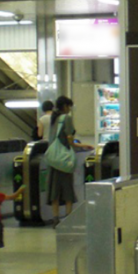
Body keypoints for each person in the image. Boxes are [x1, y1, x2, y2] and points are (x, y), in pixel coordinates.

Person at [46, 96, 93, 226]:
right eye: (69, 107)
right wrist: (84, 146)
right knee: (67, 190)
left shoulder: (54, 118)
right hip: (64, 160)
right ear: (65, 106)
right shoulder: (66, 118)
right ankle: (68, 219)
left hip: (53, 160)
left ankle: (55, 219)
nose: (70, 109)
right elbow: (70, 141)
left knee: (54, 191)